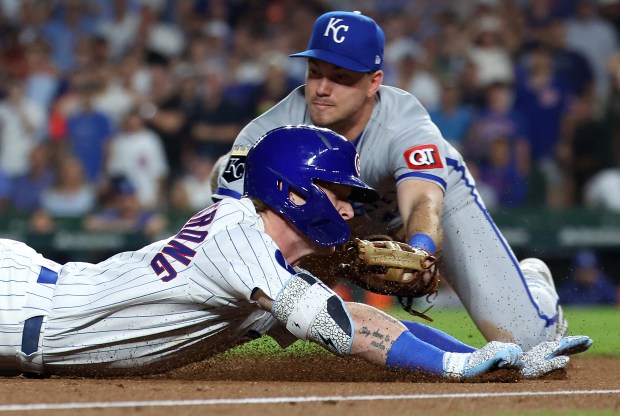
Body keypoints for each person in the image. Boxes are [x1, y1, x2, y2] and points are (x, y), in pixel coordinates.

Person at [0, 125, 590, 379]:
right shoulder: (239, 235)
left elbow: (363, 318)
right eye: (336, 194)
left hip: (35, 299)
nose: (347, 209)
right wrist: (457, 366)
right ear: (292, 191)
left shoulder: (270, 259)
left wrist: (492, 353)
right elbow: (340, 326)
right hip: (16, 306)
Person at [213, 11, 571, 351]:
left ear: (374, 82)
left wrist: (420, 249)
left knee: (527, 343)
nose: (322, 88)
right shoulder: (267, 132)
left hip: (426, 212)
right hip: (332, 229)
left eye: (341, 77)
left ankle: (533, 286)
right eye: (315, 72)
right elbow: (227, 223)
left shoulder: (404, 123)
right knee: (232, 307)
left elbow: (423, 202)